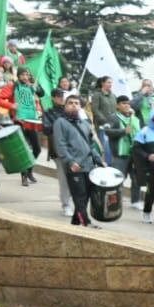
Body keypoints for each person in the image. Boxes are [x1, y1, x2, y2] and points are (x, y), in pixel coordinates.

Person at [52, 92, 102, 226]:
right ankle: (86, 222)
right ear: (65, 106)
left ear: (80, 106)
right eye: (70, 103)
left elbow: (90, 144)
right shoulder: (60, 123)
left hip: (89, 165)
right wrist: (70, 162)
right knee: (79, 196)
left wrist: (98, 160)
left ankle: (76, 220)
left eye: (76, 104)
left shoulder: (84, 123)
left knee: (86, 196)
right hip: (75, 166)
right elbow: (60, 145)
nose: (74, 106)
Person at [0, 67, 44, 187]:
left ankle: (29, 170)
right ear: (18, 76)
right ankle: (24, 176)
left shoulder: (31, 86)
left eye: (27, 75)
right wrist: (12, 105)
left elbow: (38, 98)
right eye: (23, 75)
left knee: (37, 148)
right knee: (24, 149)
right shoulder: (12, 86)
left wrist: (38, 111)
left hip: (32, 121)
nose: (25, 77)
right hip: (19, 121)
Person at [90, 77, 120, 162]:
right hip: (102, 127)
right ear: (102, 83)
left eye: (111, 83)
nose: (110, 85)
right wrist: (104, 121)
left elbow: (116, 110)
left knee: (113, 148)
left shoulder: (113, 96)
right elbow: (95, 109)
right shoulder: (97, 95)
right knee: (105, 148)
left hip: (113, 127)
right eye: (108, 82)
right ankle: (106, 165)